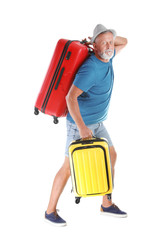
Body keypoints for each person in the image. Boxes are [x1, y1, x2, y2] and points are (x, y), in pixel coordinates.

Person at [45, 24, 128, 226]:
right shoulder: (90, 68)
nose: (110, 45)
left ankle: (106, 204)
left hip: (97, 123)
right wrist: (82, 128)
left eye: (110, 42)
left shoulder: (108, 55)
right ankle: (49, 211)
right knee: (68, 168)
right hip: (80, 124)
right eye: (104, 43)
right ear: (95, 47)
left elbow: (124, 41)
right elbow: (70, 98)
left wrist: (102, 40)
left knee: (112, 154)